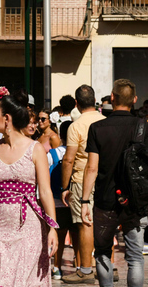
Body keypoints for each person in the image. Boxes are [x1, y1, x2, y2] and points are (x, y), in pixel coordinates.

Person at [0, 90, 58, 287]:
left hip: (29, 228)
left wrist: (52, 228)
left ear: (6, 118)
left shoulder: (35, 149)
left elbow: (45, 191)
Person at [81, 79, 148, 287]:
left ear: (112, 98)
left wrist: (84, 201)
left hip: (105, 200)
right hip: (136, 201)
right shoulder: (143, 127)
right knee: (135, 256)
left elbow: (92, 167)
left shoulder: (97, 128)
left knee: (102, 252)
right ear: (134, 100)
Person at [60, 84, 105, 284]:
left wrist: (65, 186)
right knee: (103, 223)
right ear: (94, 100)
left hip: (80, 179)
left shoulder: (75, 126)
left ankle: (86, 270)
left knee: (85, 224)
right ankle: (106, 267)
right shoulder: (105, 121)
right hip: (103, 179)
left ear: (76, 104)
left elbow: (68, 159)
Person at [48, 120, 74, 280]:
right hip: (75, 199)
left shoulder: (52, 153)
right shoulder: (79, 151)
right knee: (77, 233)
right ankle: (80, 265)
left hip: (57, 200)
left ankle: (56, 267)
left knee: (59, 233)